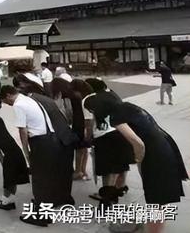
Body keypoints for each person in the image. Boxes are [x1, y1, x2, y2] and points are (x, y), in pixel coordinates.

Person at [84, 98, 188, 233]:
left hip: (155, 153)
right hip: (165, 144)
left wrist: (138, 157)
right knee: (159, 198)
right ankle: (154, 227)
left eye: (92, 111)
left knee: (156, 199)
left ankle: (153, 230)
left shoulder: (116, 117)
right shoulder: (127, 106)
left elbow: (137, 142)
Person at [0, 85, 65, 227]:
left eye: (6, 101)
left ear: (9, 95)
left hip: (40, 143)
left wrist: (26, 151)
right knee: (47, 179)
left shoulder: (19, 105)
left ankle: (40, 217)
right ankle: (46, 213)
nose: (8, 104)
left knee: (39, 180)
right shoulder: (29, 99)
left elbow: (22, 130)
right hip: (51, 139)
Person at [80, 79, 134, 207]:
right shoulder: (112, 93)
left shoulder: (88, 100)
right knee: (121, 163)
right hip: (123, 131)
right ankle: (121, 188)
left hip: (105, 136)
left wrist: (88, 139)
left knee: (107, 169)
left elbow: (89, 123)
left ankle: (107, 197)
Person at [0, 116, 29, 210]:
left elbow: (0, 154)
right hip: (18, 156)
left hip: (10, 159)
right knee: (13, 180)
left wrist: (4, 166)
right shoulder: (5, 134)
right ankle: (11, 200)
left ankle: (4, 201)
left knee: (8, 181)